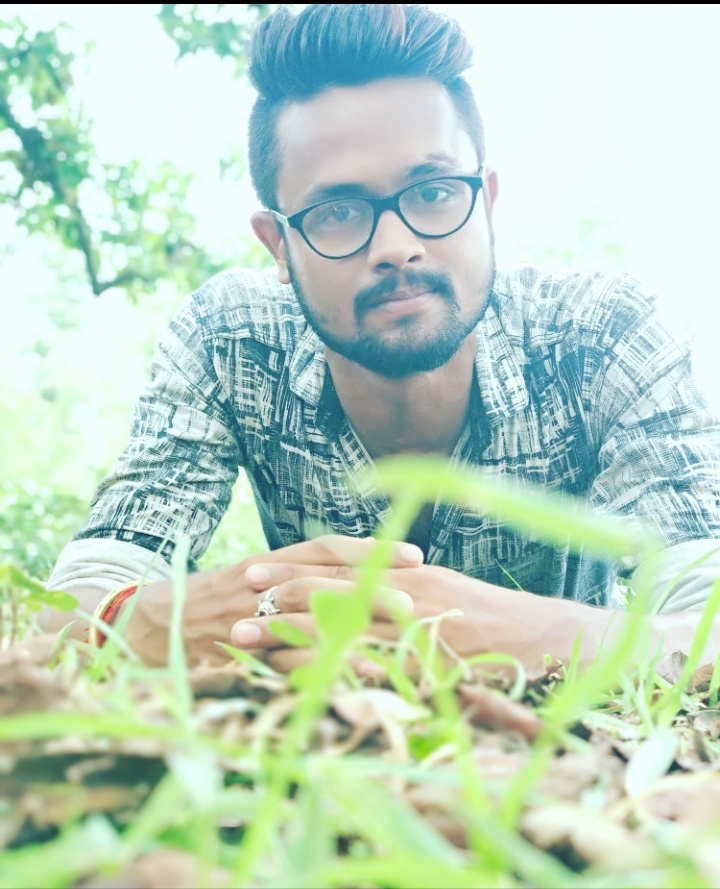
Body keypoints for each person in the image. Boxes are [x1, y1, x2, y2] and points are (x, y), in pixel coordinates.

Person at [42, 3, 720, 676]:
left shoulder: (604, 336)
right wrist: (179, 616)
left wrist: (527, 632)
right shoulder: (230, 340)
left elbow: (707, 616)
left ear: (486, 203)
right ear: (278, 245)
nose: (397, 247)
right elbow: (67, 607)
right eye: (337, 211)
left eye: (433, 192)